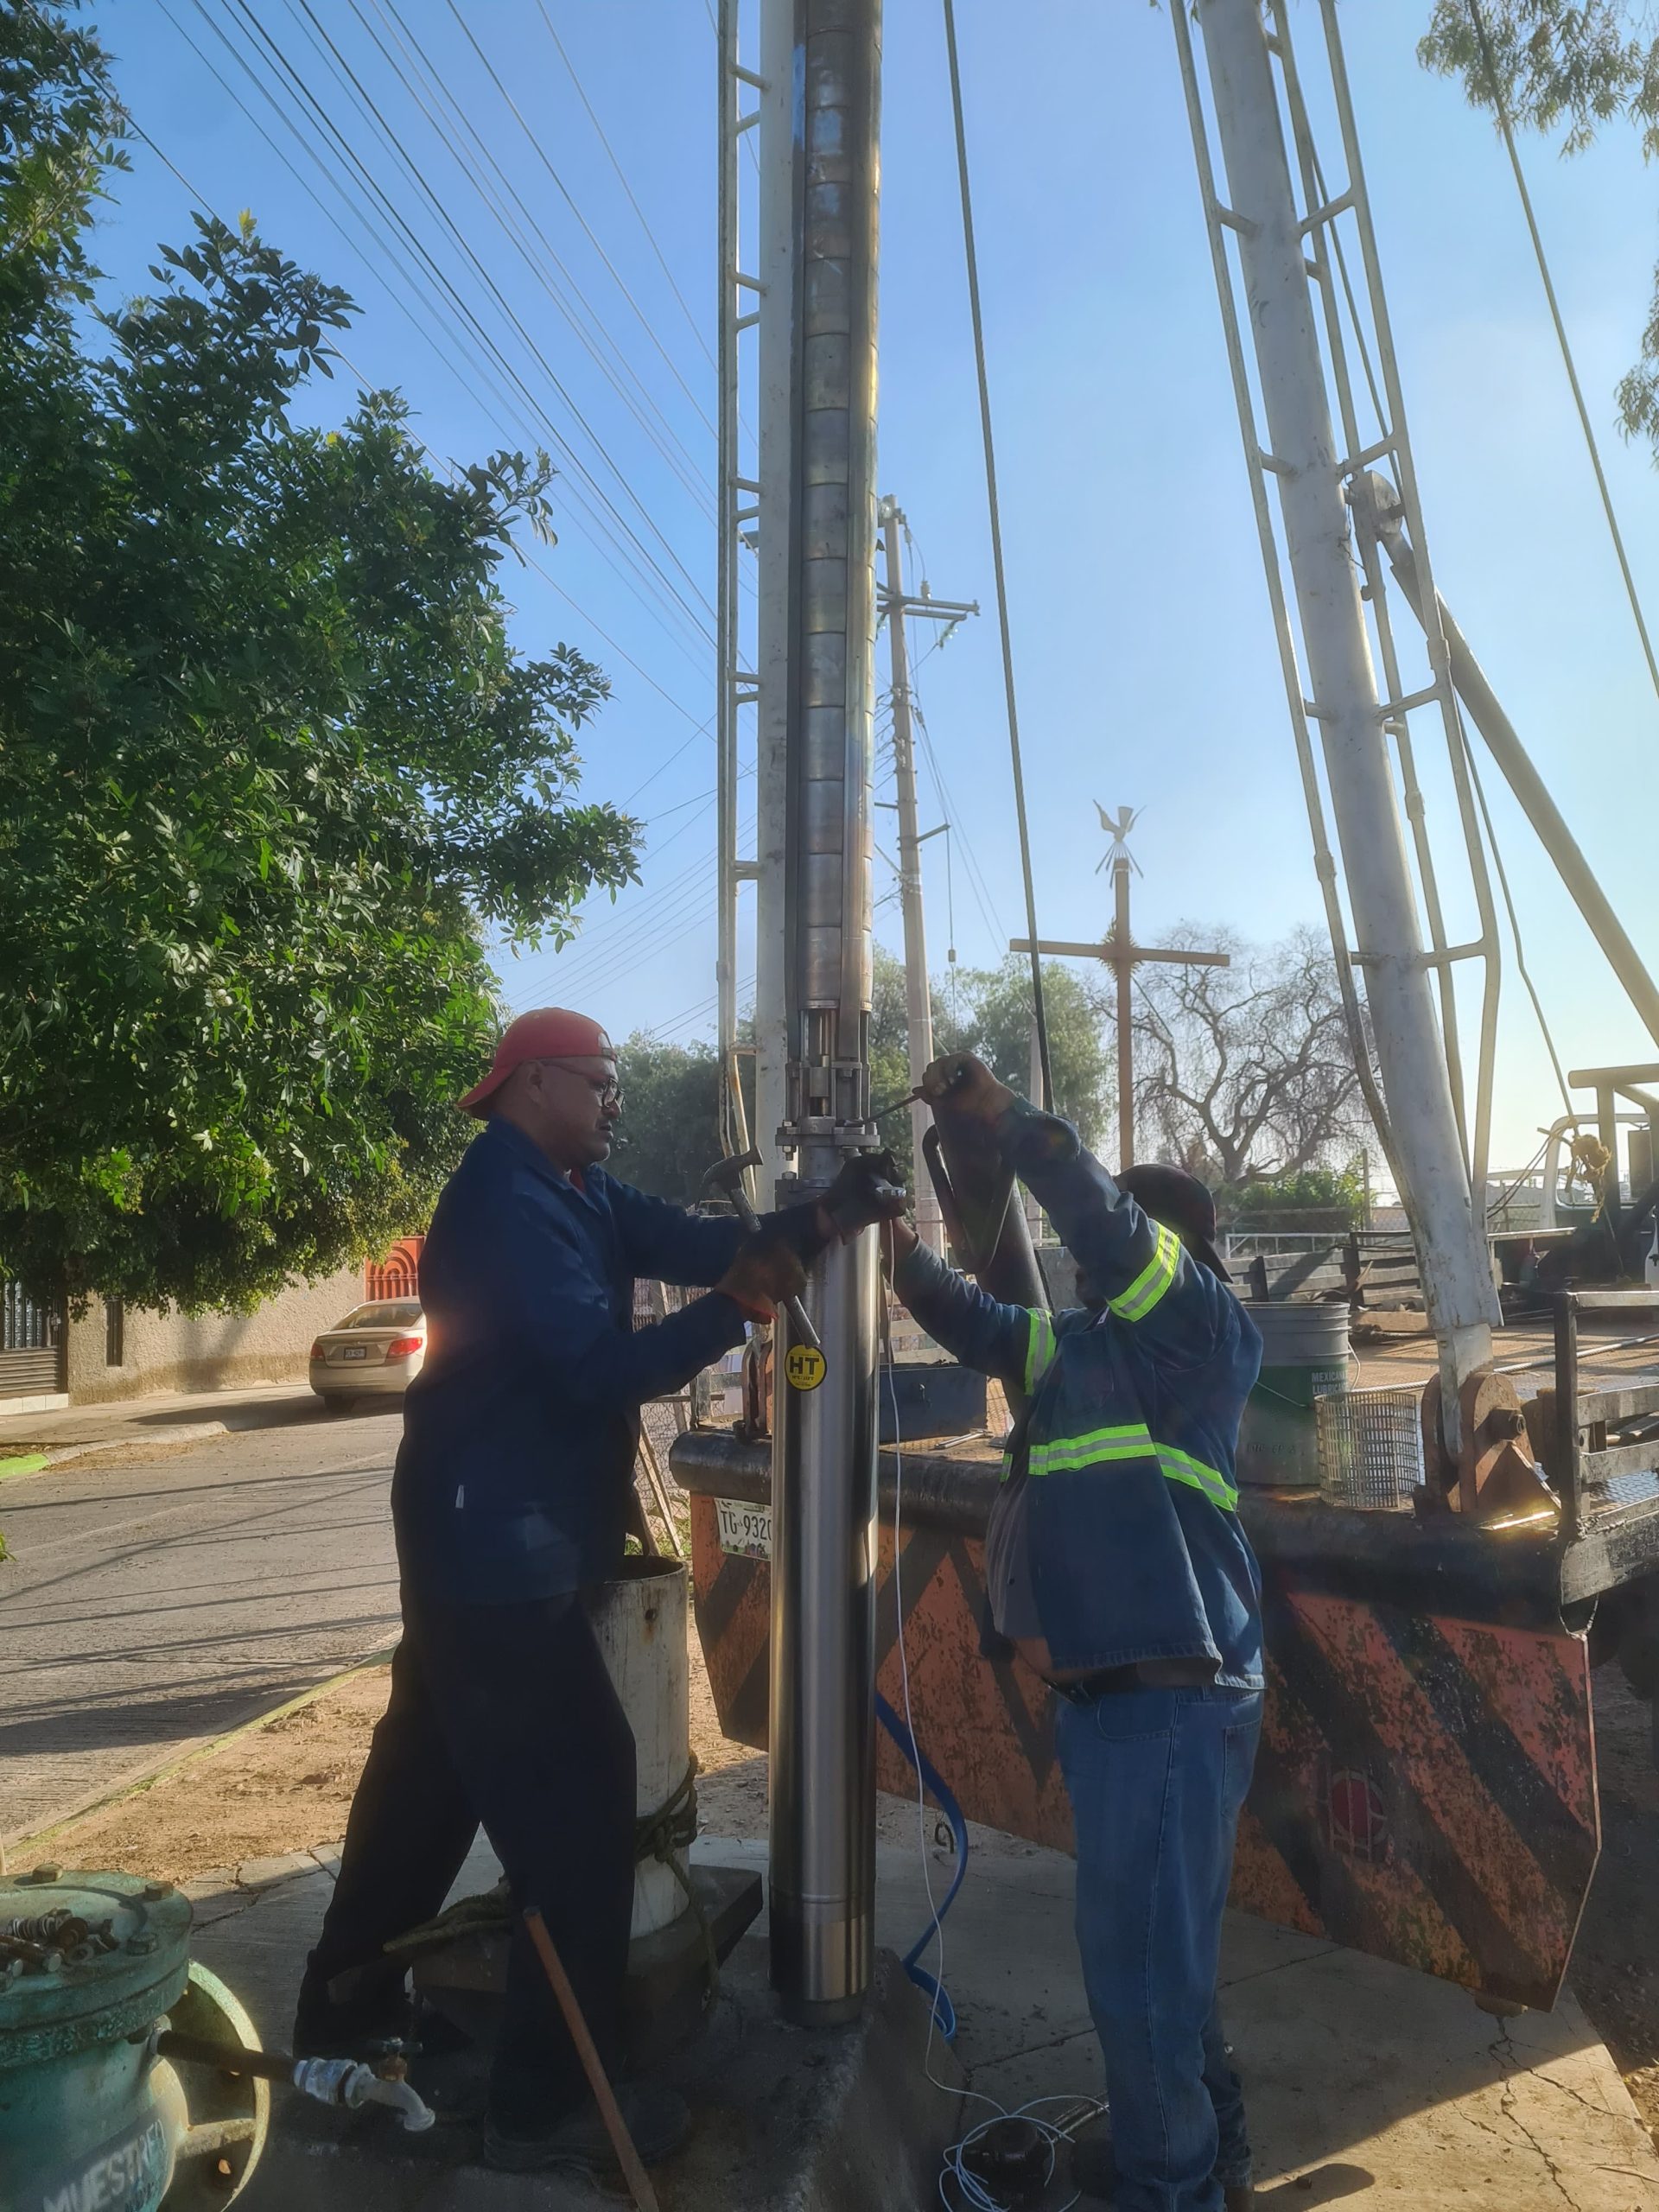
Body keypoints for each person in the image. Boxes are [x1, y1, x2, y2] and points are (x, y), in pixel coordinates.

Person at [294, 1007, 898, 2176]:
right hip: (493, 1561)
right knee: (582, 1799)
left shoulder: (570, 1187)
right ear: (533, 1086)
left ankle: (346, 2012)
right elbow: (594, 1369)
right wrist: (743, 1310)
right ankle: (542, 2102)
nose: (617, 1100)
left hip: (492, 1551)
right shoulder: (509, 1205)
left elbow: (688, 1238)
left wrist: (825, 1217)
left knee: (428, 1784)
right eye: (600, 1083)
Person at [886, 1053, 1264, 2212]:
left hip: (1167, 1699)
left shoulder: (1203, 1333)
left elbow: (1102, 1226)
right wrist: (894, 1247)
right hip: (1128, 1708)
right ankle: (1207, 2166)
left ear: (1176, 1250)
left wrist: (1004, 1123)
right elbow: (979, 1322)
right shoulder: (1083, 1353)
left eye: (1139, 1239)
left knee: (1142, 1985)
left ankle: (1172, 2192)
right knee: (1169, 1971)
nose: (1113, 1257)